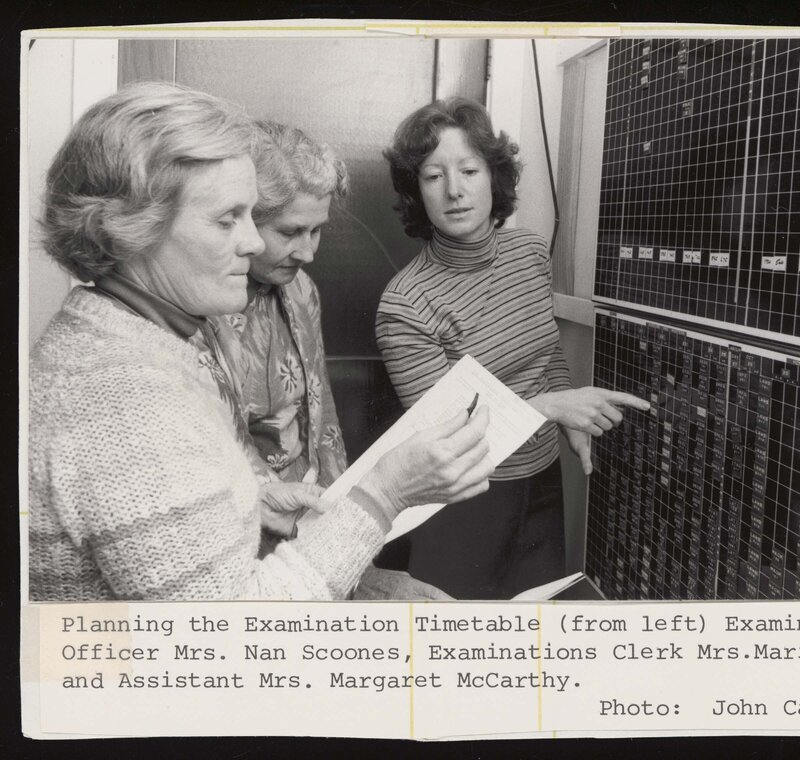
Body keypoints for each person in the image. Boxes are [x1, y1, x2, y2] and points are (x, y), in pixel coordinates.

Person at [28, 82, 493, 601]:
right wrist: (384, 494)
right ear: (130, 227)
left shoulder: (129, 344)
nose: (251, 243)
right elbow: (226, 642)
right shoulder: (122, 399)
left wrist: (254, 504)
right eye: (228, 219)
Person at [376, 97, 649, 599]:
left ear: (493, 177)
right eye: (434, 176)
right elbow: (447, 431)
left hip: (541, 483)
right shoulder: (404, 303)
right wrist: (550, 407)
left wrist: (569, 416)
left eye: (469, 170)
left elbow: (546, 354)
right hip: (460, 500)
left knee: (536, 636)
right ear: (416, 191)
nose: (454, 190)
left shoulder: (526, 252)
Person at [213, 119, 447, 599]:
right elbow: (221, 453)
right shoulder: (205, 307)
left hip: (318, 523)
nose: (309, 251)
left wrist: (354, 549)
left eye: (318, 230)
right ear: (243, 221)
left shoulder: (301, 289)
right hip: (249, 545)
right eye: (291, 231)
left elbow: (324, 421)